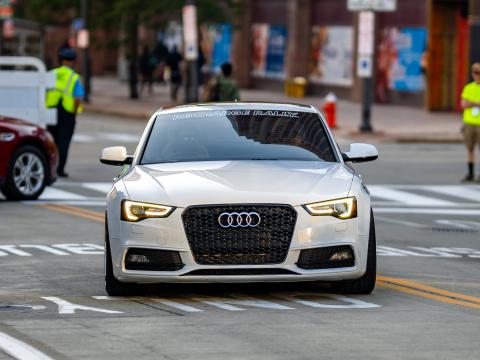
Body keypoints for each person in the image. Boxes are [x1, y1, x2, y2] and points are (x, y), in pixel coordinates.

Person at [46, 47, 84, 178]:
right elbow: (77, 98)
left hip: (50, 111)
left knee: (50, 141)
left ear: (60, 60)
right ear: (73, 61)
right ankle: (60, 170)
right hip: (67, 113)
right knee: (64, 142)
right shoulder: (74, 77)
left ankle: (48, 168)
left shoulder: (51, 73)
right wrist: (74, 111)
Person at [460, 62, 480, 182]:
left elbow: (468, 103)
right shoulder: (468, 87)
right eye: (476, 72)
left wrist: (471, 103)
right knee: (470, 148)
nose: (478, 75)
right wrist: (476, 103)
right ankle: (471, 173)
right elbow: (463, 104)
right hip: (469, 122)